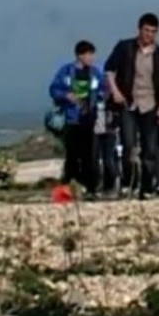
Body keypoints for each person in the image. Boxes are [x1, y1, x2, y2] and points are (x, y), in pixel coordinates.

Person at [103, 13, 159, 199]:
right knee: (128, 145)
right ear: (140, 29)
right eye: (147, 30)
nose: (149, 35)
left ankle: (147, 187)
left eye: (153, 32)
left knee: (150, 148)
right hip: (129, 103)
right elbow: (109, 69)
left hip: (150, 105)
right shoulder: (125, 47)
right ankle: (128, 183)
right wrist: (115, 91)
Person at [48, 40, 105, 198]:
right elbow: (54, 89)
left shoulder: (95, 72)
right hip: (72, 118)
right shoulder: (66, 71)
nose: (91, 58)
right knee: (72, 155)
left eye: (92, 55)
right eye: (88, 55)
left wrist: (99, 98)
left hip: (90, 118)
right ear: (80, 55)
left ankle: (91, 188)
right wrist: (66, 95)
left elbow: (103, 88)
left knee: (90, 155)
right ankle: (69, 186)